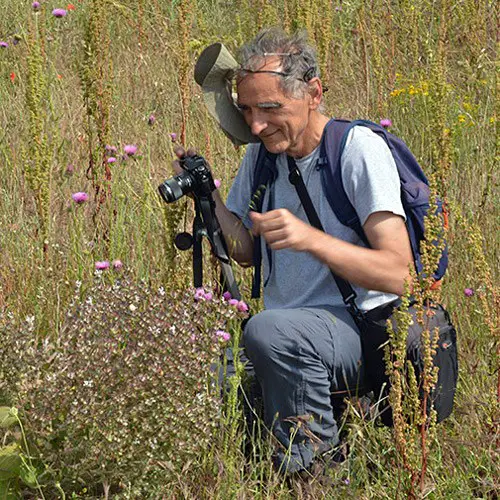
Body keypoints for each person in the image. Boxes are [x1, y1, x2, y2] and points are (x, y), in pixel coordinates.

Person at [175, 28, 413, 475]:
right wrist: (208, 198)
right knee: (198, 370)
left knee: (270, 332)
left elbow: (400, 273)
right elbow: (245, 250)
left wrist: (309, 239)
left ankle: (313, 472)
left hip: (363, 331)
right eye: (246, 110)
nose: (256, 125)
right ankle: (237, 466)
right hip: (288, 330)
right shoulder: (264, 155)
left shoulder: (358, 151)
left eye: (269, 109)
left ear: (314, 93)